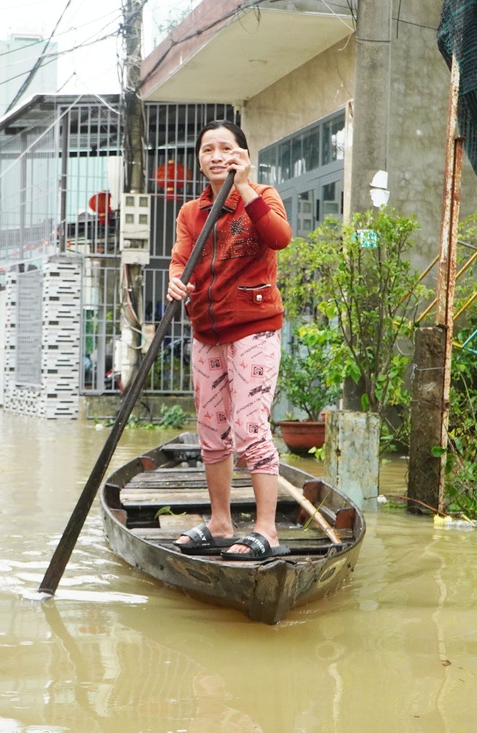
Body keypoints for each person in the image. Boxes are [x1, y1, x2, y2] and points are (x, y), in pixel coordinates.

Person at [167, 120, 293, 561]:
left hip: (254, 330)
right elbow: (181, 260)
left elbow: (279, 238)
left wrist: (247, 189)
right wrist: (174, 283)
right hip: (207, 333)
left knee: (250, 429)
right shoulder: (190, 213)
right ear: (200, 160)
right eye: (208, 150)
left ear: (243, 154)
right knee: (211, 432)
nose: (216, 156)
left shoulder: (264, 196)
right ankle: (221, 523)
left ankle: (267, 531)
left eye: (226, 148)